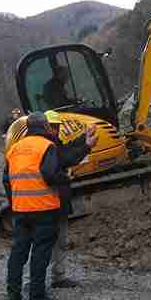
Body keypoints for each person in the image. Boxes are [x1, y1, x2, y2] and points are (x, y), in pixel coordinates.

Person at [3, 111, 94, 300]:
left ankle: (13, 295)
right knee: (40, 252)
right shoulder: (47, 146)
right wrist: (66, 179)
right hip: (43, 208)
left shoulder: (15, 149)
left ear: (27, 127)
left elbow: (6, 180)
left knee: (18, 251)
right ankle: (36, 296)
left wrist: (15, 202)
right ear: (45, 127)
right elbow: (50, 173)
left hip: (21, 210)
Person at [44, 110, 93, 290]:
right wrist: (86, 146)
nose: (55, 130)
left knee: (61, 241)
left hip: (59, 202)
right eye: (52, 126)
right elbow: (66, 158)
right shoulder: (45, 148)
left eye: (57, 126)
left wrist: (83, 138)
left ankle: (58, 276)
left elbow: (66, 150)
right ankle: (39, 280)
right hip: (47, 204)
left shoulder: (55, 144)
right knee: (46, 243)